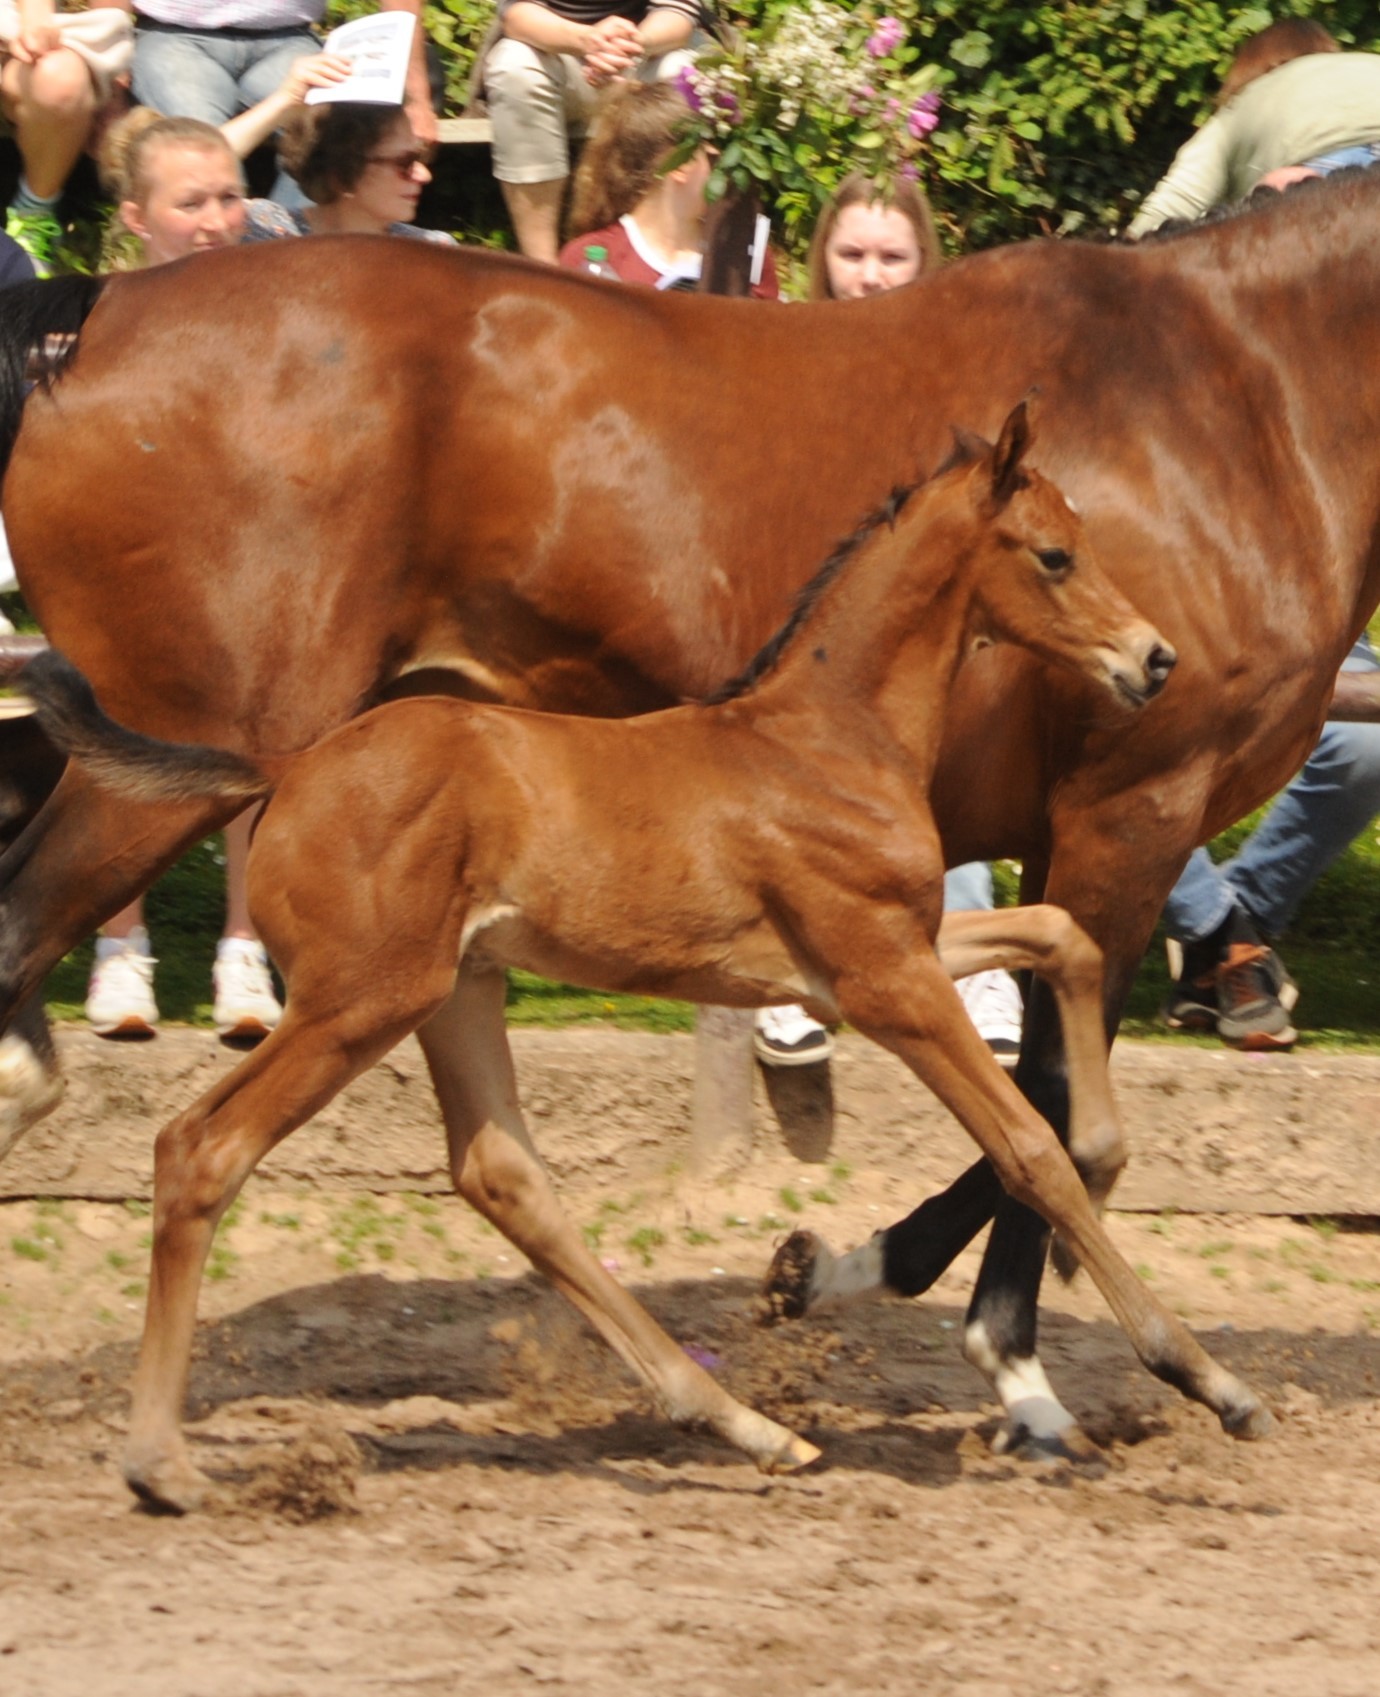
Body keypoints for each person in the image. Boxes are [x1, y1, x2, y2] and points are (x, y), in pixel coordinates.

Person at [754, 175, 1020, 1068]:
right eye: (853, 254)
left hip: (922, 628)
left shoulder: (957, 374)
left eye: (891, 257)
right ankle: (787, 978)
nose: (870, 275)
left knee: (955, 746)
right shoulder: (787, 359)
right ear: (822, 259)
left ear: (923, 261)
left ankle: (975, 965)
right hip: (799, 621)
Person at [87, 105, 291, 1038]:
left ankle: (243, 947)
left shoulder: (276, 315)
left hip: (251, 565)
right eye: (191, 203)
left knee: (255, 725)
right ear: (136, 217)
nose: (217, 221)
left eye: (229, 198)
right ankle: (119, 944)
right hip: (125, 568)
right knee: (114, 718)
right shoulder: (95, 316)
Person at [483, 0, 702, 262]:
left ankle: (666, 262)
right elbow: (518, 17)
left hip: (645, 53)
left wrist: (632, 44)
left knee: (686, 75)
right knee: (514, 67)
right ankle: (543, 269)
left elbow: (678, 15)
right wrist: (588, 40)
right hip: (556, 51)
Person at [1128, 19, 1380, 236]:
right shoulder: (1366, 64)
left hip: (1317, 185)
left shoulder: (1244, 103)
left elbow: (1177, 201)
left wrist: (1125, 256)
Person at [120, 0, 436, 170]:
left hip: (290, 37)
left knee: (333, 134)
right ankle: (222, 256)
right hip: (172, 36)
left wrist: (416, 100)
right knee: (198, 152)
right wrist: (111, 86)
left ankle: (285, 248)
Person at [556, 80, 776, 295]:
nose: (732, 168)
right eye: (719, 155)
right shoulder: (589, 259)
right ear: (681, 163)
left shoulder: (744, 255)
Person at [0, 0, 134, 274]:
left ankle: (33, 215)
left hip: (24, 37)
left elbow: (109, 13)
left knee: (61, 80)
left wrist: (115, 72)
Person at [242, 100, 456, 242]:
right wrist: (284, 98)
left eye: (419, 157)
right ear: (340, 172)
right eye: (404, 162)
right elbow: (218, 165)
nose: (424, 175)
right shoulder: (262, 229)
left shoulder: (433, 252)